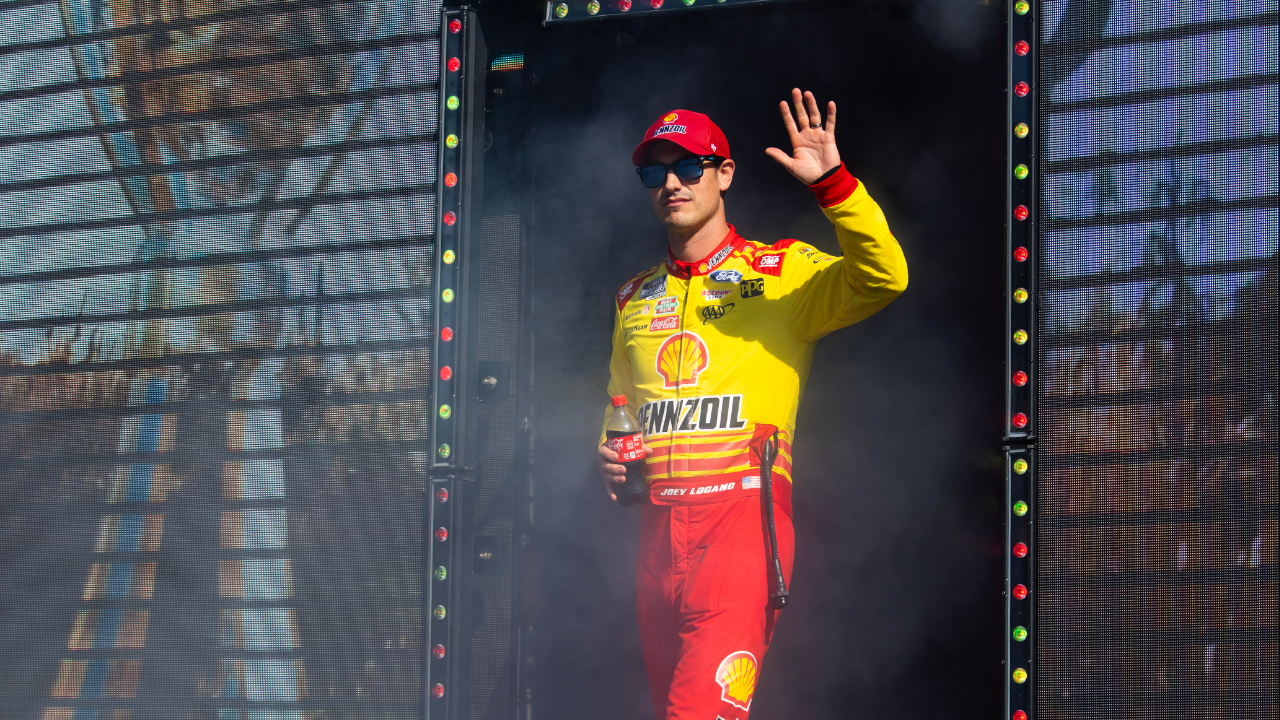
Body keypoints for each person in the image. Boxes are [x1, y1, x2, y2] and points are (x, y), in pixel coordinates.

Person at [596, 90, 908, 720]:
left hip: (739, 531)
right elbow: (618, 412)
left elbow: (885, 277)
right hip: (655, 542)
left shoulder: (781, 271)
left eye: (689, 167)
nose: (672, 184)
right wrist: (608, 457)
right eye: (655, 173)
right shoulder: (633, 298)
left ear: (725, 174)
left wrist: (834, 185)